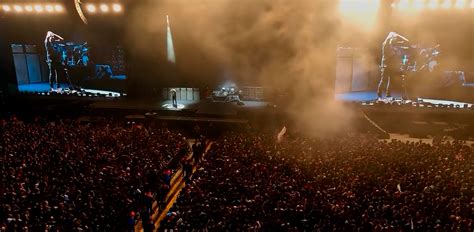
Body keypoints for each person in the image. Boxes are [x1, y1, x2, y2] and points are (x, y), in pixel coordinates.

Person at [377, 32, 409, 100]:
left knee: (390, 81)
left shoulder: (391, 46)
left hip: (391, 66)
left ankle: (388, 95)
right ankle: (379, 95)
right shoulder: (385, 45)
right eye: (392, 39)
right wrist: (396, 35)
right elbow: (391, 33)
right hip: (385, 66)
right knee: (383, 80)